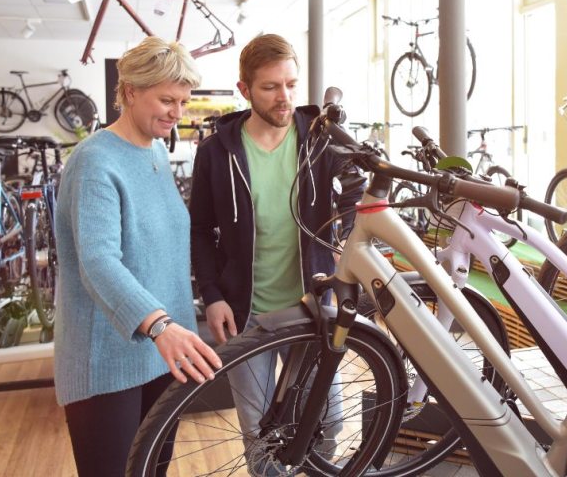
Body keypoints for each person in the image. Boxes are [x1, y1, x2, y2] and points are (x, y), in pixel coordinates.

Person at [189, 34, 363, 473]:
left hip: (311, 308)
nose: (284, 97)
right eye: (270, 87)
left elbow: (357, 190)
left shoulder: (320, 140)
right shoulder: (216, 152)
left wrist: (346, 235)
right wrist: (211, 295)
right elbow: (199, 230)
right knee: (260, 434)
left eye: (290, 84)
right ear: (244, 90)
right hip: (245, 314)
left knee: (328, 420)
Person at [54, 36, 222, 477]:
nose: (177, 113)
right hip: (107, 359)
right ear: (129, 91)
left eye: (183, 102)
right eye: (167, 99)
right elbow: (99, 261)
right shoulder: (94, 160)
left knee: (154, 470)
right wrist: (160, 324)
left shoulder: (156, 152)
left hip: (162, 353)